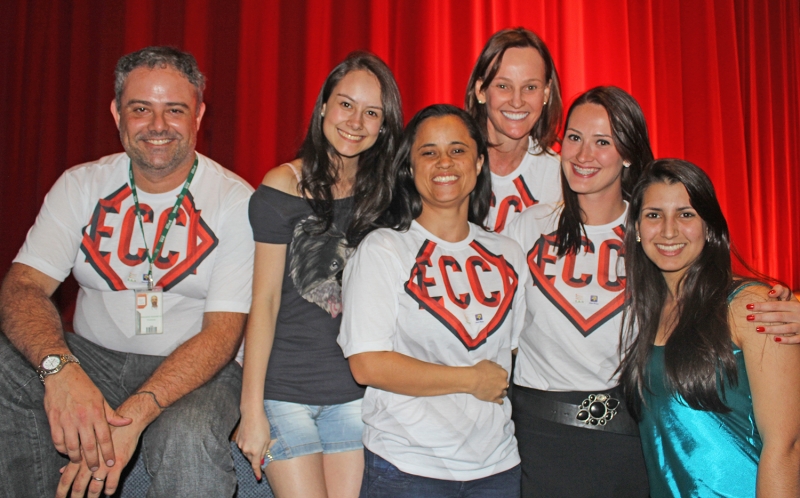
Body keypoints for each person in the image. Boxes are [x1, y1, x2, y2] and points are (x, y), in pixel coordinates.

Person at [0, 46, 254, 498]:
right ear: (117, 113)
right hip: (93, 360)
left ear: (198, 116)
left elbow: (223, 334)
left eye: (174, 110)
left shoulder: (236, 201)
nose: (157, 125)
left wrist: (136, 413)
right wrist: (61, 371)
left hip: (197, 370)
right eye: (141, 109)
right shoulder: (80, 185)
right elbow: (23, 287)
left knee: (188, 433)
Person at [235, 52, 403, 498]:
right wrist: (251, 409)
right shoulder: (281, 186)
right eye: (346, 104)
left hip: (355, 395)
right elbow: (264, 302)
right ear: (324, 106)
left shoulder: (387, 197)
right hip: (284, 391)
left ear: (384, 125)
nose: (356, 122)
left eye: (372, 112)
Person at [338, 104, 527, 497]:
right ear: (409, 167)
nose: (444, 162)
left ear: (479, 163)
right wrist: (470, 380)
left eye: (457, 150)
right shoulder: (384, 249)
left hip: (497, 468)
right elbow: (367, 364)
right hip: (407, 467)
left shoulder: (509, 253)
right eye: (429, 152)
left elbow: (509, 353)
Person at [619, 159, 800, 497]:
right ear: (638, 228)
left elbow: (786, 446)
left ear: (709, 226)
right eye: (654, 215)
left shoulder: (749, 306)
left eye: (686, 214)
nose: (669, 231)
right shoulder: (646, 313)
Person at [506, 86, 653, 496]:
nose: (583, 155)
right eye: (574, 137)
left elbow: (702, 295)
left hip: (626, 442)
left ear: (628, 153)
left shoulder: (651, 231)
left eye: (602, 142)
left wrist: (764, 300)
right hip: (536, 439)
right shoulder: (529, 226)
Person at [465, 27, 563, 234]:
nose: (517, 102)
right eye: (503, 86)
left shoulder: (559, 178)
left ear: (546, 93)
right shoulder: (454, 164)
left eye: (530, 87)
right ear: (481, 91)